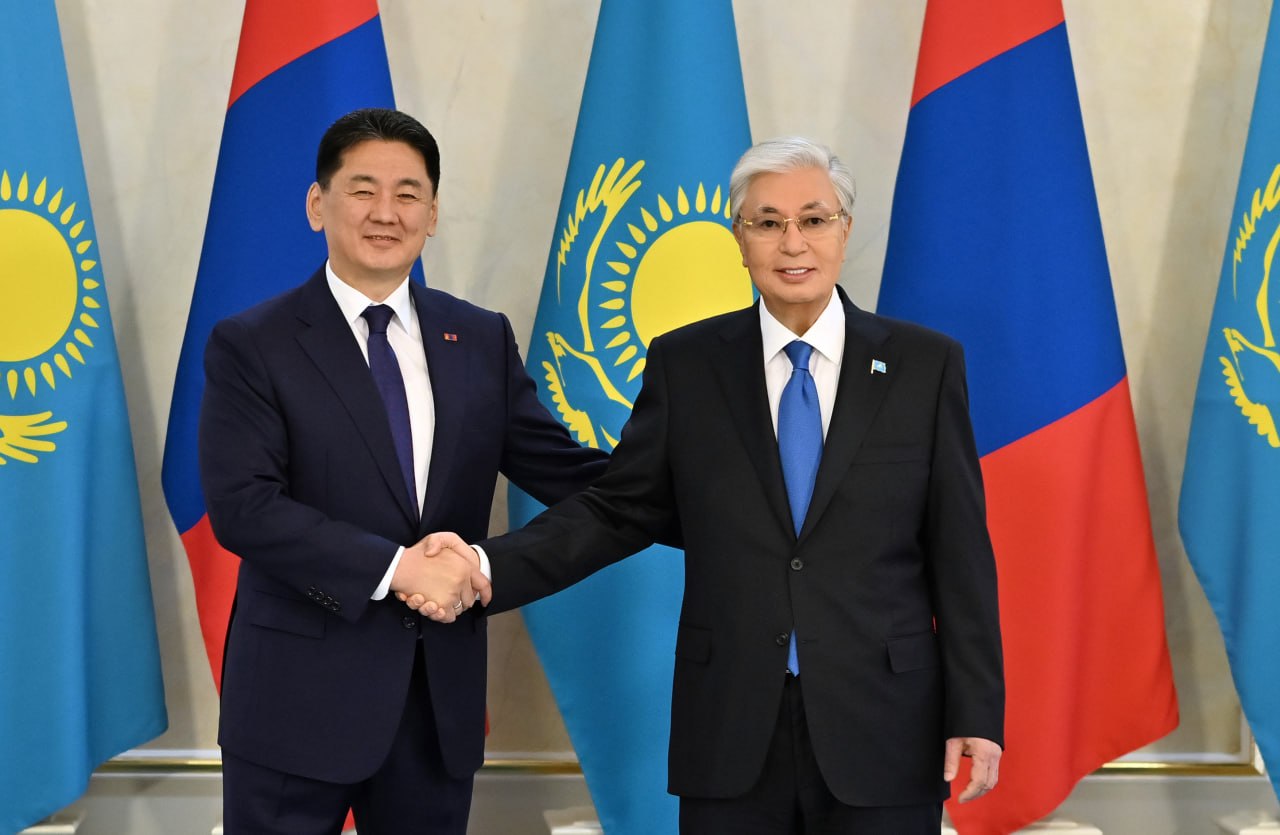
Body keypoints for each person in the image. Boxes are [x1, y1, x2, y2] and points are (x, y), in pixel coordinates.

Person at [416, 137, 1005, 834]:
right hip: (730, 728)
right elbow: (616, 510)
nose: (793, 242)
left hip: (885, 726)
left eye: (814, 220)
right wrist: (483, 565)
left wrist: (976, 708)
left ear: (845, 230)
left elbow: (959, 551)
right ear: (739, 238)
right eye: (768, 222)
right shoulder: (687, 365)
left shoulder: (923, 366)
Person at [198, 107, 608, 835]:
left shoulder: (479, 337)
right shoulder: (253, 343)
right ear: (317, 204)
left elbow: (569, 473)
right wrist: (398, 568)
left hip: (434, 705)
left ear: (433, 214)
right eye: (363, 190)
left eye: (408, 193)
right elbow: (245, 508)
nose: (386, 212)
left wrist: (708, 471)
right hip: (295, 704)